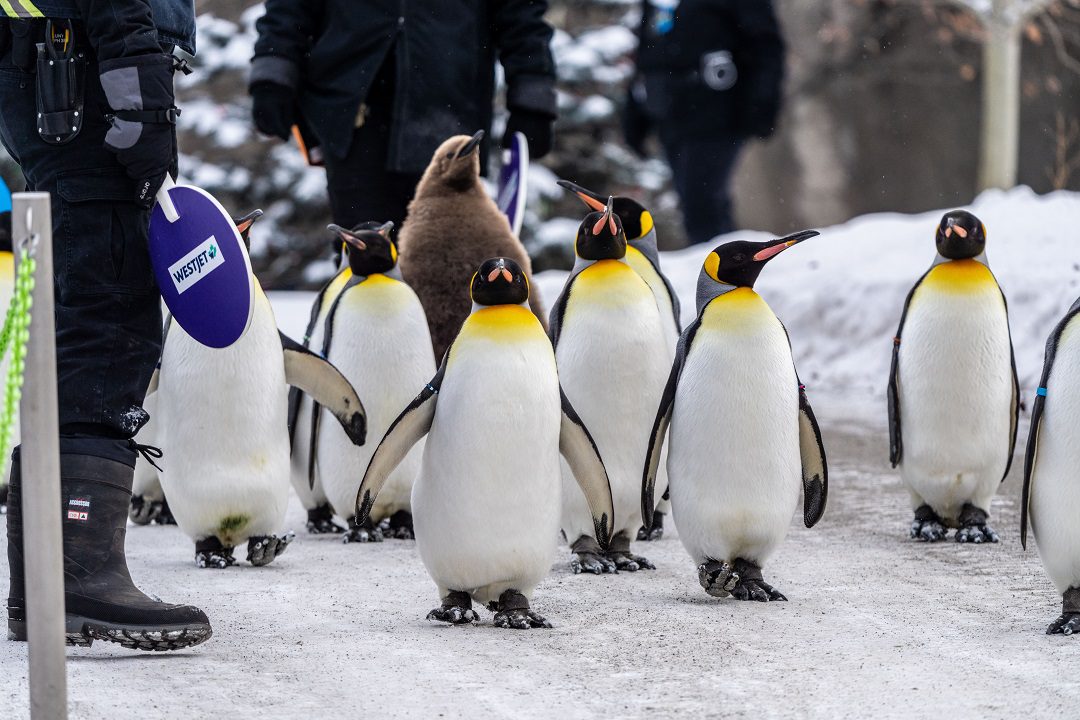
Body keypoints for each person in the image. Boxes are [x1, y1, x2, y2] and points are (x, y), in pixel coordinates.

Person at [0, 0, 212, 650]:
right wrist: (143, 109)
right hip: (83, 74)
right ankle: (80, 571)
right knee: (109, 314)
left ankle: (42, 576)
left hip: (55, 70)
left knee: (79, 320)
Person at [249, 0, 558, 233]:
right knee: (362, 255)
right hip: (351, 112)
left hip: (450, 112)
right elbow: (289, 6)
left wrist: (531, 100)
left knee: (444, 261)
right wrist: (273, 77)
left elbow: (521, 12)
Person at [624, 0, 785, 245]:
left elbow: (766, 45)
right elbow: (648, 51)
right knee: (694, 203)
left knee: (702, 201)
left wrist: (763, 102)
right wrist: (634, 111)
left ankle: (723, 275)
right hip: (669, 115)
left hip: (719, 112)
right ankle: (725, 269)